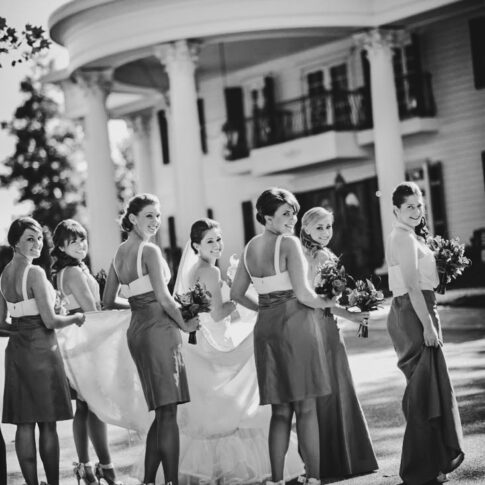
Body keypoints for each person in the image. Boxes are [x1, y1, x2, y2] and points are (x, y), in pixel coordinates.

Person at [172, 218, 304, 484]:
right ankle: (234, 467)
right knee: (235, 400)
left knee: (214, 406)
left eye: (218, 239)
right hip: (216, 337)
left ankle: (210, 467)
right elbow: (219, 314)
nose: (217, 245)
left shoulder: (196, 269)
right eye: (210, 241)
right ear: (196, 245)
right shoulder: (210, 272)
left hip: (207, 336)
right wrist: (237, 293)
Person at [230, 187, 333, 485]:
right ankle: (313, 477)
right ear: (266, 217)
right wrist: (332, 300)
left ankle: (276, 480)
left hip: (267, 329)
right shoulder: (289, 243)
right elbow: (305, 295)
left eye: (294, 212)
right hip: (296, 327)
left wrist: (265, 306)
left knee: (280, 411)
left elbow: (237, 294)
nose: (293, 219)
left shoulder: (249, 248)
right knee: (306, 408)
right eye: (286, 214)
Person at [102, 194, 199, 485]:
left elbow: (107, 301)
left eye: (158, 216)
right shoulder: (149, 251)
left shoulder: (119, 253)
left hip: (138, 331)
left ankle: (148, 481)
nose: (156, 222)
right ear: (132, 219)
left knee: (163, 411)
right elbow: (166, 300)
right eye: (149, 216)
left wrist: (137, 305)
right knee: (168, 412)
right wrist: (186, 323)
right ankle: (170, 482)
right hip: (159, 331)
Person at [386, 182, 464, 485]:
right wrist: (428, 326)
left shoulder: (410, 235)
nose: (417, 212)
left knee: (429, 390)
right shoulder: (402, 238)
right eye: (410, 207)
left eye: (419, 205)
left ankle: (432, 463)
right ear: (396, 209)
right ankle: (418, 468)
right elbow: (412, 286)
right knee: (423, 392)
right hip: (413, 314)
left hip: (418, 310)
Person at [0, 217, 85, 485]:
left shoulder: (3, 275)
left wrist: (20, 333)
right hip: (41, 350)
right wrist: (76, 317)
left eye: (38, 239)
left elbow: (1, 324)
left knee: (24, 423)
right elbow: (50, 321)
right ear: (15, 242)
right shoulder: (35, 273)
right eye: (29, 239)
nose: (37, 244)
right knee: (47, 423)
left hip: (16, 353)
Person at [299, 207, 378, 478]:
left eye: (328, 226)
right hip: (324, 328)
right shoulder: (320, 256)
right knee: (337, 386)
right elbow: (325, 304)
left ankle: (325, 459)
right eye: (319, 227)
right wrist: (353, 316)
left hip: (315, 327)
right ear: (306, 229)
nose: (325, 232)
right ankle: (343, 458)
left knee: (328, 388)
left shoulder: (305, 254)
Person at [51, 219, 122, 485]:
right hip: (86, 338)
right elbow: (92, 309)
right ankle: (104, 467)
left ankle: (88, 468)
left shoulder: (68, 270)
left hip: (76, 338)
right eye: (74, 241)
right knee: (94, 405)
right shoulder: (74, 273)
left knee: (86, 406)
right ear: (61, 246)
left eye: (83, 239)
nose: (81, 245)